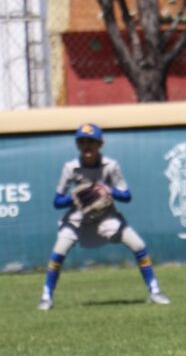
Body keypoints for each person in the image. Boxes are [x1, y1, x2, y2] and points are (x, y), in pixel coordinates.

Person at [37, 123, 171, 310]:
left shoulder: (111, 166)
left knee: (138, 245)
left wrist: (109, 190)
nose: (87, 146)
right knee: (58, 252)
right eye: (82, 141)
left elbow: (127, 196)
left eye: (91, 141)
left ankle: (154, 291)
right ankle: (46, 297)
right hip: (77, 218)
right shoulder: (70, 167)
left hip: (106, 217)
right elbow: (57, 202)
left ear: (100, 144)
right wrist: (74, 197)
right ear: (77, 145)